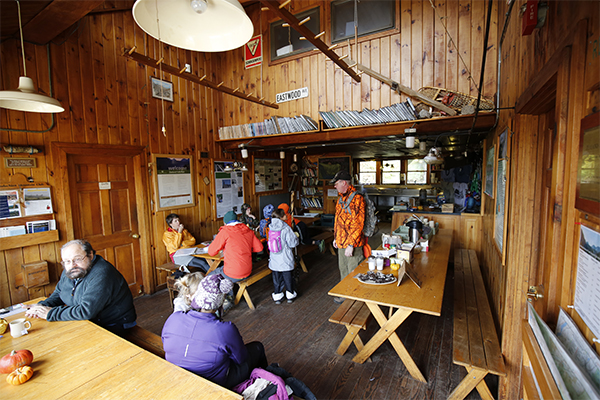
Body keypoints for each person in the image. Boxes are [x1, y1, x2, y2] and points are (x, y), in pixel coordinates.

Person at [162, 274, 268, 389]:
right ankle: (264, 385)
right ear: (221, 303)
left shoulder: (174, 317)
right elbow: (241, 359)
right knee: (257, 347)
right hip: (211, 382)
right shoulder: (225, 329)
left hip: (177, 375)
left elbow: (165, 341)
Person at [25, 239, 137, 336]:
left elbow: (86, 311)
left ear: (91, 256)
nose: (72, 265)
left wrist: (50, 313)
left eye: (77, 259)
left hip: (112, 324)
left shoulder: (102, 273)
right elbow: (59, 293)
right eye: (67, 261)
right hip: (88, 320)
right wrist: (43, 306)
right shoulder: (71, 270)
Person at [331, 170, 366, 303]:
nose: (335, 186)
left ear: (344, 183)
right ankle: (346, 294)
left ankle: (356, 299)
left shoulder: (357, 199)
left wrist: (351, 244)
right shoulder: (341, 199)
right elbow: (338, 220)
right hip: (341, 242)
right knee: (344, 269)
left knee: (354, 271)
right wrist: (336, 237)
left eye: (336, 184)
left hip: (353, 244)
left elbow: (358, 224)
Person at [208, 210, 264, 283]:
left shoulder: (225, 232)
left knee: (208, 278)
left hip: (233, 273)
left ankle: (228, 293)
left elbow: (211, 252)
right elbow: (259, 248)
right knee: (223, 270)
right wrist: (245, 248)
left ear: (225, 222)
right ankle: (229, 293)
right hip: (247, 270)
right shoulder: (248, 230)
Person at [268, 208, 299, 304]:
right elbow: (292, 243)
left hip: (274, 258)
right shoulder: (286, 228)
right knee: (288, 276)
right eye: (285, 214)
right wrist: (296, 239)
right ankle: (290, 294)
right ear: (281, 217)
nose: (287, 215)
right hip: (285, 257)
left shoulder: (270, 227)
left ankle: (278, 295)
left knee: (277, 278)